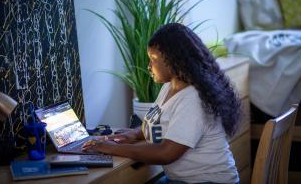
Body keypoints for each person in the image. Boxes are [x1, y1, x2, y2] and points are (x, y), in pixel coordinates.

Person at [82, 23, 241, 184]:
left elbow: (166, 154)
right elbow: (162, 122)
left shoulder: (193, 99)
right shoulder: (170, 86)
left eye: (153, 59)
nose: (149, 66)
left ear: (174, 60)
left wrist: (113, 148)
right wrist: (134, 134)